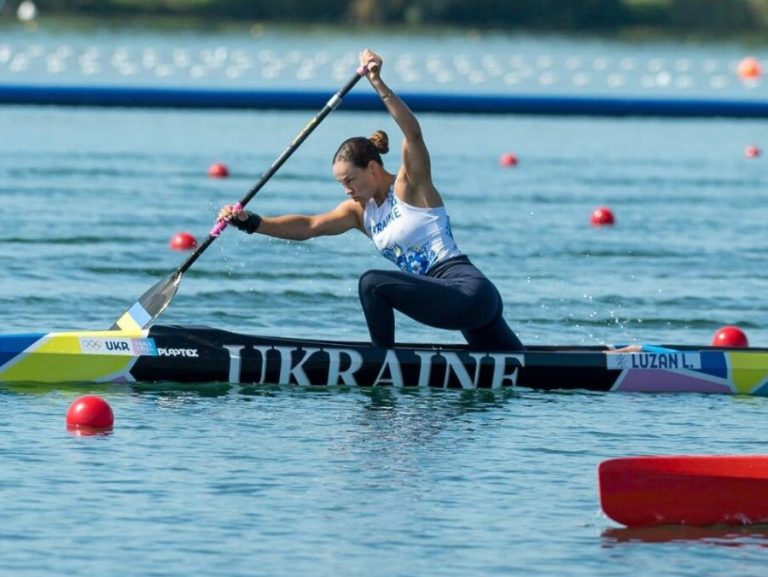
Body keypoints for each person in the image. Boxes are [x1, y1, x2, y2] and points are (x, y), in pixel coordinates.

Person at [218, 48, 524, 351]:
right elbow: (309, 226)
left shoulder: (410, 186)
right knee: (526, 371)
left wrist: (377, 82)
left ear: (373, 168)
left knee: (372, 283)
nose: (347, 190)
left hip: (468, 292)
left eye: (350, 180)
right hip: (458, 305)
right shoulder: (359, 212)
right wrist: (250, 222)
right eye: (342, 183)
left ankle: (381, 362)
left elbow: (413, 135)